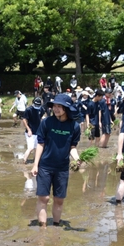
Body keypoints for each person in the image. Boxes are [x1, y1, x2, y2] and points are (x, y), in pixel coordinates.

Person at [31, 94, 81, 227]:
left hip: (62, 168)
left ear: (66, 109)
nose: (56, 109)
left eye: (60, 106)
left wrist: (77, 159)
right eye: (54, 106)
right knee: (44, 198)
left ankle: (56, 225)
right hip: (45, 166)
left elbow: (72, 147)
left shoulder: (74, 126)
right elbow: (40, 144)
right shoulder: (46, 122)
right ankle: (43, 227)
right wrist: (35, 164)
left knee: (59, 200)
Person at [22, 97, 44, 164]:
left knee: (37, 148)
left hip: (38, 131)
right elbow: (24, 120)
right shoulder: (28, 110)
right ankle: (24, 161)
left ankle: (35, 161)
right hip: (30, 132)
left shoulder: (41, 109)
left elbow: (41, 118)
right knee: (31, 148)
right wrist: (29, 129)